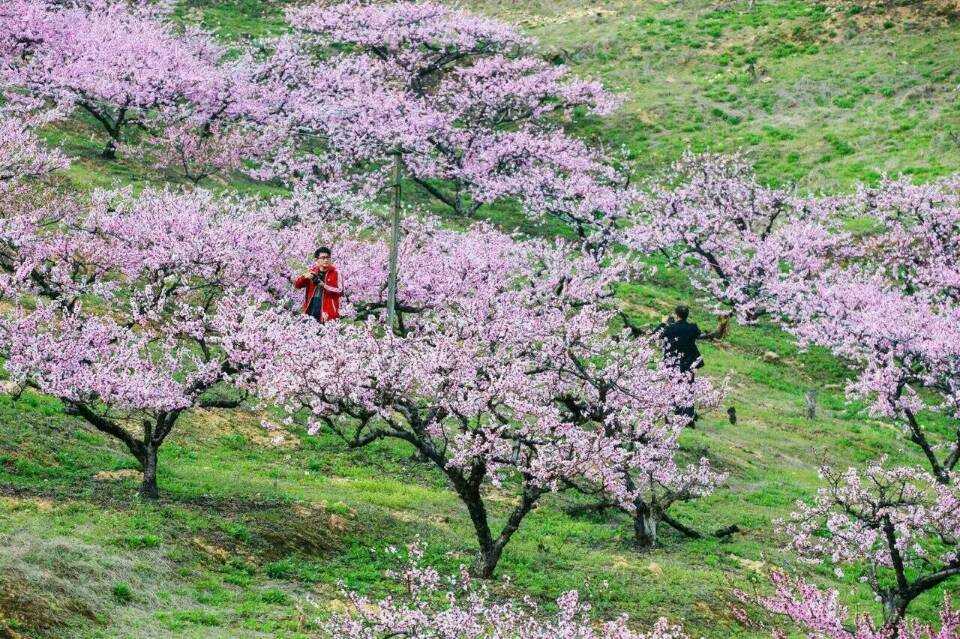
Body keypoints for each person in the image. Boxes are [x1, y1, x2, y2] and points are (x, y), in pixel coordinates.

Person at [656, 305, 728, 425]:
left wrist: (663, 323)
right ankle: (687, 418)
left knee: (672, 388)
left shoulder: (670, 328)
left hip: (672, 363)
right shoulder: (692, 328)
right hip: (689, 363)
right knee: (688, 389)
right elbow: (704, 335)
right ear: (687, 315)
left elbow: (657, 335)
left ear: (676, 315)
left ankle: (671, 416)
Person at [293, 246, 342, 323]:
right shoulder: (312, 271)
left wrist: (324, 285)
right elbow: (297, 285)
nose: (326, 260)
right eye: (323, 258)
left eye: (328, 258)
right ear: (317, 260)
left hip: (328, 309)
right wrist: (304, 277)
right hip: (312, 305)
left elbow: (340, 291)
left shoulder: (336, 273)